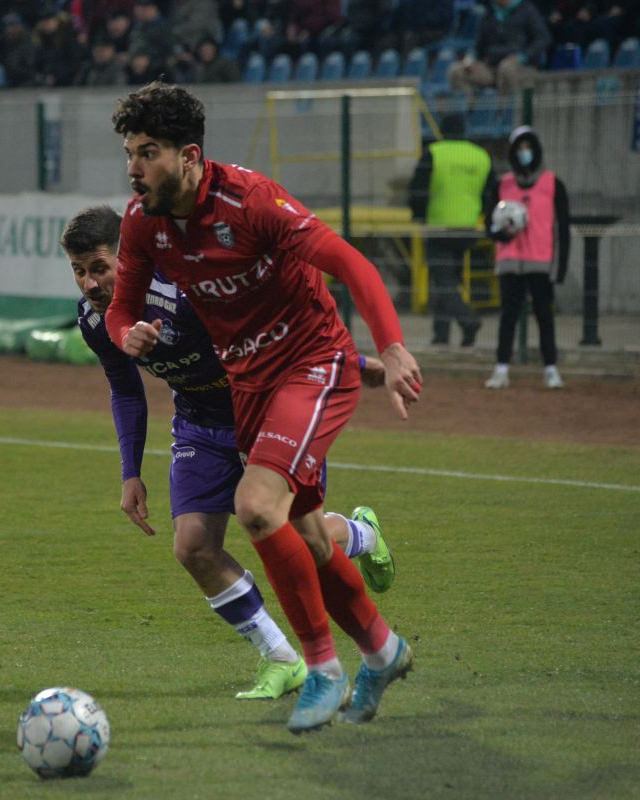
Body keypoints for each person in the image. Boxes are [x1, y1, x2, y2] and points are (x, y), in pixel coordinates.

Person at [105, 82, 422, 733]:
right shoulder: (143, 224)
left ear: (189, 156)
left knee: (255, 505)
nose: (133, 168)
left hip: (312, 363)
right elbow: (120, 309)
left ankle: (322, 671)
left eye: (148, 153)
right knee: (305, 539)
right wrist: (125, 334)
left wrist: (389, 349)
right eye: (130, 153)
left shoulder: (251, 202)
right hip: (247, 385)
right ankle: (384, 651)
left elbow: (350, 263)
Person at [63, 204, 397, 701]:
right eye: (78, 271)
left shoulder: (184, 292)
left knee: (302, 542)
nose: (89, 283)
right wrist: (130, 472)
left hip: (268, 410)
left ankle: (362, 535)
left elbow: (281, 325)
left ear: (126, 260)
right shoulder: (95, 319)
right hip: (200, 424)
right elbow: (126, 389)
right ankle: (282, 659)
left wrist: (353, 361)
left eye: (99, 267)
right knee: (193, 546)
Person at [484, 125, 571, 390]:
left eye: (528, 147)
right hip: (510, 262)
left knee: (545, 315)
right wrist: (504, 234)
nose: (525, 153)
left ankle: (550, 369)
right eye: (519, 148)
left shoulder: (553, 184)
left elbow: (562, 228)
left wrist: (560, 267)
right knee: (508, 315)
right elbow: (489, 225)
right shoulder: (503, 185)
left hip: (541, 263)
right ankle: (501, 369)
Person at [408, 112, 495, 346]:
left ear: (443, 130)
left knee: (443, 281)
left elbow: (418, 189)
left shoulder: (434, 153)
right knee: (448, 281)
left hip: (439, 226)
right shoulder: (480, 156)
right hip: (468, 228)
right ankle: (441, 335)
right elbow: (491, 193)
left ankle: (468, 320)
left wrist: (418, 215)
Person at [448, 0, 551, 97]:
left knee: (506, 69)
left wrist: (523, 57)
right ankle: (471, 111)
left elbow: (543, 38)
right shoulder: (489, 12)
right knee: (456, 71)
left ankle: (505, 113)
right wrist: (470, 59)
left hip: (522, 66)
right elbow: (478, 45)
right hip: (491, 67)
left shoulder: (527, 10)